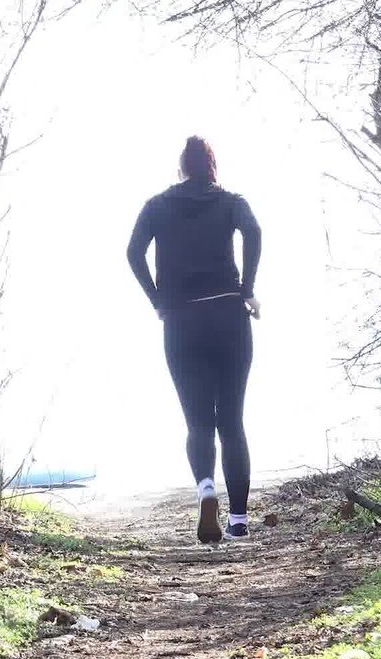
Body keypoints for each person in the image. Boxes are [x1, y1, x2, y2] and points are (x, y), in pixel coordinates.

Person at [126, 136, 262, 543]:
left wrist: (157, 299)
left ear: (181, 169)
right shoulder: (232, 201)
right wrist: (247, 289)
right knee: (231, 421)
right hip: (228, 315)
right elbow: (253, 232)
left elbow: (133, 252)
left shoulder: (157, 205)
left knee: (198, 421)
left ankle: (206, 488)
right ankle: (238, 520)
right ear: (212, 167)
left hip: (182, 320)